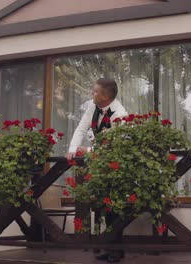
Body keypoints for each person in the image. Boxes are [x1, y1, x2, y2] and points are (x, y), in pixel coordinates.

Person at [65, 78, 128, 263]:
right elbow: (80, 129)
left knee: (115, 208)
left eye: (95, 92)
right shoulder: (93, 108)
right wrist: (72, 149)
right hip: (100, 167)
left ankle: (117, 250)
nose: (92, 94)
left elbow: (116, 146)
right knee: (104, 208)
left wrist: (88, 151)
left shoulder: (120, 114)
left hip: (117, 167)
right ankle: (109, 248)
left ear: (105, 96)